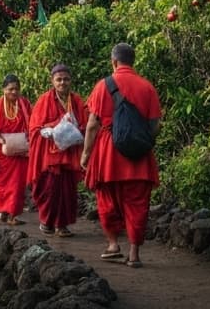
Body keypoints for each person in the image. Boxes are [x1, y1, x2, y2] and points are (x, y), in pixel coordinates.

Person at [81, 43, 162, 268]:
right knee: (138, 203)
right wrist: (141, 141)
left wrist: (86, 154)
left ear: (114, 61)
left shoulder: (103, 86)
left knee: (107, 200)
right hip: (139, 155)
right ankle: (134, 253)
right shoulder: (147, 87)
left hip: (109, 153)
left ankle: (113, 244)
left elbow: (92, 125)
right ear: (132, 61)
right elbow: (155, 125)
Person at [29, 63, 89, 237]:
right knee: (50, 190)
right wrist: (52, 128)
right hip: (50, 155)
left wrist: (76, 127)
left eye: (66, 79)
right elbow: (34, 128)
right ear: (52, 81)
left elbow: (85, 123)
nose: (63, 83)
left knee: (68, 191)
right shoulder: (44, 100)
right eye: (59, 79)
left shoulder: (76, 100)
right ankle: (47, 221)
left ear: (71, 81)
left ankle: (61, 225)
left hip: (69, 154)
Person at [0, 74, 33, 226]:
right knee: (2, 185)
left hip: (20, 152)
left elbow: (33, 123)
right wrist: (1, 140)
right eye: (10, 89)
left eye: (16, 89)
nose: (14, 92)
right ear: (3, 89)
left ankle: (12, 215)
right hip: (2, 153)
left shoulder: (25, 104)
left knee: (17, 185)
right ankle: (4, 210)